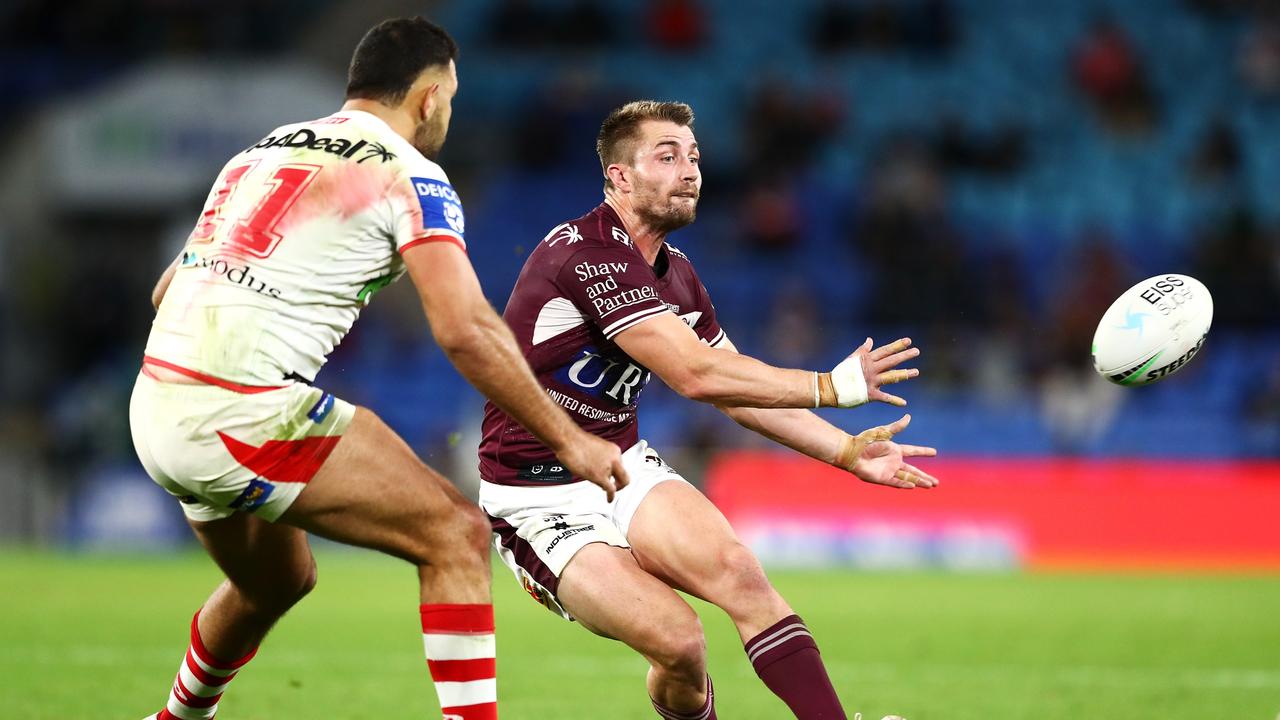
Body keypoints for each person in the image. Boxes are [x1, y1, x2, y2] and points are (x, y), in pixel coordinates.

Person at [130, 17, 628, 720]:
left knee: (277, 581)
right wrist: (568, 437)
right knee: (456, 533)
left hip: (157, 404)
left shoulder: (257, 154)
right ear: (428, 97)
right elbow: (464, 329)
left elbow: (163, 293)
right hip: (236, 409)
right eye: (449, 99)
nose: (447, 114)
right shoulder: (410, 173)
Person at [477, 100, 936, 720]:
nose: (689, 171)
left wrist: (846, 450)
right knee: (680, 646)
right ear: (619, 177)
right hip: (535, 498)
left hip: (620, 467)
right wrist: (828, 385)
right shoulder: (584, 254)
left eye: (693, 157)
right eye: (666, 157)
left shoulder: (678, 275)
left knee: (741, 575)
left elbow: (733, 392)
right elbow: (696, 374)